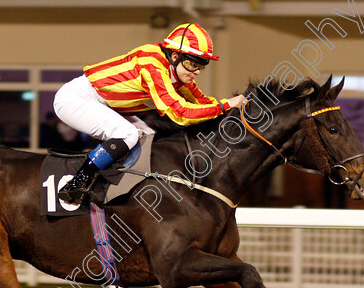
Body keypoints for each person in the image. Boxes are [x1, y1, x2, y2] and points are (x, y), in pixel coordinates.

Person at [53, 23, 245, 203]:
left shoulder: (177, 71)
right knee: (127, 134)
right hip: (76, 98)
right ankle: (78, 182)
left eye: (201, 65)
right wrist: (225, 105)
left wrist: (233, 108)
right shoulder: (152, 64)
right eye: (192, 64)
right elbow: (181, 113)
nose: (196, 72)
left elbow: (204, 103)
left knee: (150, 137)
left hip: (105, 103)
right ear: (175, 56)